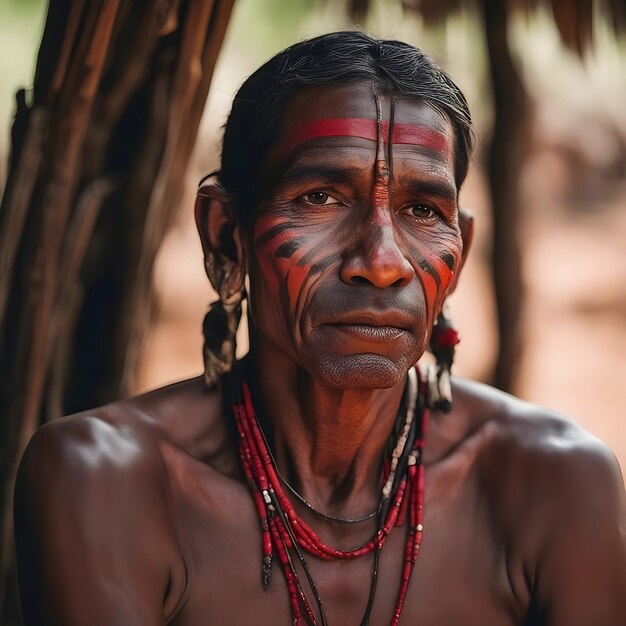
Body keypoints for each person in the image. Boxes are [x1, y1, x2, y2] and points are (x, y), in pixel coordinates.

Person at [14, 31, 626, 626]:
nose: (382, 262)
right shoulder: (111, 486)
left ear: (459, 254)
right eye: (321, 198)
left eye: (422, 210)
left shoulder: (558, 488)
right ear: (227, 232)